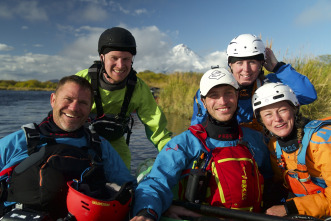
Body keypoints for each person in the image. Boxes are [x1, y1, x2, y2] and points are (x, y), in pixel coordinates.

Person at [131, 68, 273, 221]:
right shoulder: (185, 142)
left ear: (237, 96)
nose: (223, 101)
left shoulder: (256, 139)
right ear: (203, 102)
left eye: (228, 93)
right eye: (214, 95)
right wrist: (147, 212)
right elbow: (156, 181)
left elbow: (272, 181)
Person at [0, 75, 135, 219]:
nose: (74, 108)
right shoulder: (18, 142)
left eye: (83, 102)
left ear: (90, 107)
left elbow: (130, 188)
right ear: (53, 100)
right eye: (68, 99)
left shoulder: (101, 147)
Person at [76, 27, 172, 169]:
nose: (120, 65)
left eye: (126, 59)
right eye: (114, 58)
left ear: (132, 60)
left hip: (115, 142)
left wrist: (172, 153)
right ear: (102, 58)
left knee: (123, 182)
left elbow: (156, 127)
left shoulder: (138, 88)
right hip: (80, 140)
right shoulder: (81, 81)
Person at [191, 34, 317, 132]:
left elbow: (308, 94)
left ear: (261, 64)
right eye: (239, 63)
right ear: (230, 64)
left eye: (252, 62)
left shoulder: (272, 84)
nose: (246, 69)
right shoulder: (212, 90)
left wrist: (278, 67)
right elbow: (198, 127)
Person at [252, 82, 331, 218]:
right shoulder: (275, 145)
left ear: (294, 109)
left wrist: (290, 208)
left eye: (282, 110)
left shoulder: (320, 140)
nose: (277, 119)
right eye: (268, 114)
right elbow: (280, 183)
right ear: (261, 121)